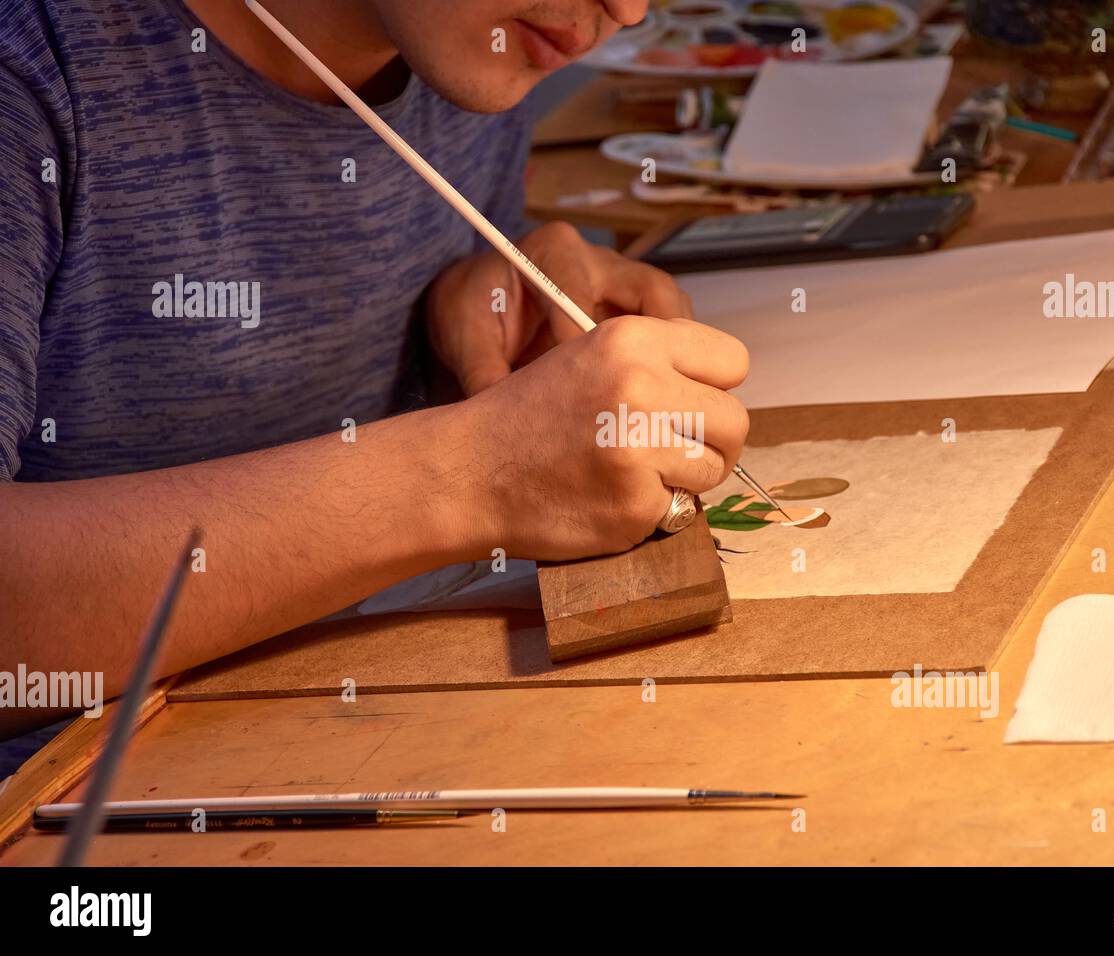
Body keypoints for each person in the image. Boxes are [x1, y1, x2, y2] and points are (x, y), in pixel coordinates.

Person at [0, 0, 750, 736]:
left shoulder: (469, 45)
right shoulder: (34, 61)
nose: (628, 9)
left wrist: (453, 334)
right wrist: (478, 470)